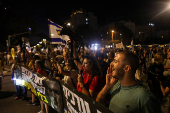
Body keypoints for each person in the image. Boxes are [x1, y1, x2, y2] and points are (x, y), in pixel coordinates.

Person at [96, 51, 161, 113]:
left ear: (127, 68)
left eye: (115, 61)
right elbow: (98, 104)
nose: (111, 64)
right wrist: (107, 86)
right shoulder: (115, 85)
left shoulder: (144, 97)